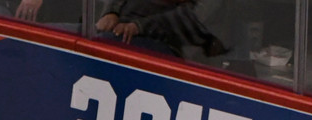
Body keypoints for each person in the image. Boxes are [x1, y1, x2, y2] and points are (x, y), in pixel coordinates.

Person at [95, 0, 227, 58]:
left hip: (163, 45)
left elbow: (189, 18)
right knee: (77, 33)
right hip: (118, 29)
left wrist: (138, 27)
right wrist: (111, 12)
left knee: (101, 44)